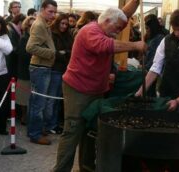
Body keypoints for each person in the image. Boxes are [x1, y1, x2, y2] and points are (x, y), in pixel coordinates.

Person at [52, 0, 146, 171]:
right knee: (72, 132)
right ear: (107, 21)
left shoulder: (109, 23)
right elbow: (107, 46)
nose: (118, 31)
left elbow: (123, 14)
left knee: (89, 132)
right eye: (117, 28)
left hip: (95, 90)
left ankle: (85, 168)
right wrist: (135, 45)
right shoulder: (90, 31)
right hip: (78, 89)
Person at [26, 0, 57, 145]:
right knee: (38, 103)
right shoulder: (39, 25)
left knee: (36, 102)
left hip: (41, 67)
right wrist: (51, 53)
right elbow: (30, 47)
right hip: (39, 68)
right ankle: (35, 134)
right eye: (50, 11)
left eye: (54, 12)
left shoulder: (44, 24)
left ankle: (35, 130)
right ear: (43, 9)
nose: (53, 15)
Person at [49, 13, 73, 134]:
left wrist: (65, 52)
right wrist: (62, 53)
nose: (64, 26)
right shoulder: (52, 34)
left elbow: (71, 50)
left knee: (58, 99)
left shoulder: (68, 35)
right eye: (62, 23)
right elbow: (54, 52)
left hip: (64, 69)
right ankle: (50, 124)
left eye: (66, 24)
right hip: (55, 69)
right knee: (53, 98)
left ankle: (54, 123)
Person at [16, 16, 36, 125]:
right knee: (23, 95)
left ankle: (27, 115)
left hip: (32, 69)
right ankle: (23, 116)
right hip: (24, 70)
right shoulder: (24, 38)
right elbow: (22, 55)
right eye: (30, 25)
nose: (32, 27)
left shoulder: (35, 37)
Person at [143, 14, 166, 97]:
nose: (147, 30)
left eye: (147, 28)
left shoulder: (159, 38)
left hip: (151, 71)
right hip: (148, 69)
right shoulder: (151, 37)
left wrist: (146, 68)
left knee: (150, 91)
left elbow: (154, 58)